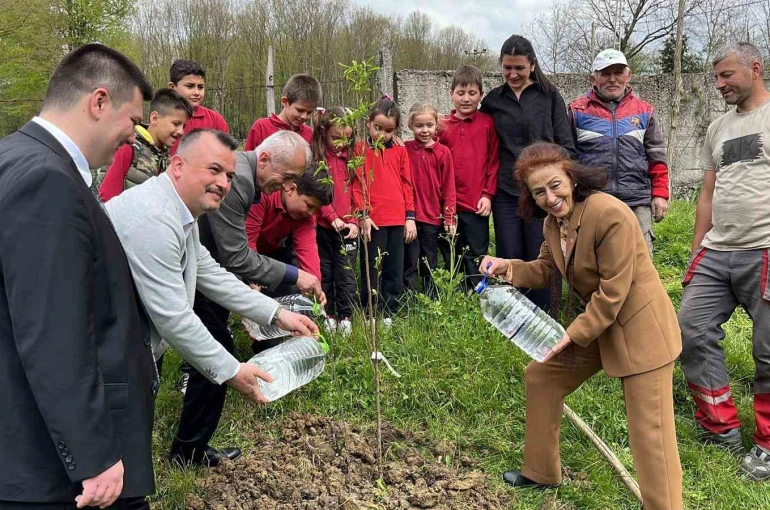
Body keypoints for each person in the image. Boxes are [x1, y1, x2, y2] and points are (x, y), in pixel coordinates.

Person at [480, 142, 682, 510]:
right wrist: (508, 267)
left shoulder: (610, 214)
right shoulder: (553, 222)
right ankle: (541, 472)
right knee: (542, 377)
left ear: (571, 177)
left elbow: (613, 293)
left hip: (640, 329)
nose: (549, 197)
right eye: (538, 191)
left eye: (555, 185)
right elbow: (545, 269)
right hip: (599, 325)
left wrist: (569, 335)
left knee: (650, 432)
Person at [0, 44, 156, 510]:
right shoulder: (47, 181)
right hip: (53, 467)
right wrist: (93, 454)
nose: (133, 136)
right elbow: (53, 331)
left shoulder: (15, 155)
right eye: (132, 120)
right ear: (99, 102)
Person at [105, 129, 319, 467]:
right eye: (213, 170)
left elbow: (211, 275)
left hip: (126, 346)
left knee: (126, 461)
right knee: (112, 467)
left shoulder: (180, 213)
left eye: (230, 175)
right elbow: (174, 318)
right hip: (105, 353)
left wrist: (278, 314)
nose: (223, 183)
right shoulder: (156, 219)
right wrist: (232, 372)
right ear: (177, 165)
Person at [173, 130, 323, 466]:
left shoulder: (243, 178)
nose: (286, 188)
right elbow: (236, 256)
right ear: (265, 159)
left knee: (215, 349)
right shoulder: (239, 178)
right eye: (286, 178)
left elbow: (216, 260)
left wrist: (275, 311)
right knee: (215, 351)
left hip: (202, 272)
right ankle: (188, 451)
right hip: (188, 274)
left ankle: (189, 449)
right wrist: (294, 276)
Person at [678, 42, 770, 479]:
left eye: (726, 76)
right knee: (692, 330)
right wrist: (697, 249)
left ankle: (767, 446)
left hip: (765, 248)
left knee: (768, 353)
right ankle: (720, 428)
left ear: (755, 68)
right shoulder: (717, 128)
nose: (719, 85)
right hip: (718, 250)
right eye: (716, 77)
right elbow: (708, 193)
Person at [480, 34, 576, 311]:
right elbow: (475, 134)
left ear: (532, 65)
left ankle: (545, 314)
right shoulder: (493, 101)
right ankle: (514, 316)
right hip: (507, 194)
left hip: (544, 195)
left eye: (519, 68)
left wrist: (559, 185)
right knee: (509, 254)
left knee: (542, 255)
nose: (513, 73)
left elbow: (566, 145)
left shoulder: (549, 96)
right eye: (507, 67)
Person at [568, 48, 670, 255]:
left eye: (618, 73)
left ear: (628, 75)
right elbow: (566, 158)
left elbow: (657, 155)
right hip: (592, 200)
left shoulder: (644, 111)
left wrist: (660, 194)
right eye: (605, 74)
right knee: (592, 262)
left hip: (636, 201)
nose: (612, 79)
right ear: (593, 78)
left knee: (640, 264)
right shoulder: (576, 111)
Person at [352, 96, 416, 318]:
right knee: (372, 269)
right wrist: (363, 214)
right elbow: (356, 185)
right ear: (368, 123)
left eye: (388, 131)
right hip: (374, 221)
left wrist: (410, 217)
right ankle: (370, 310)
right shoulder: (360, 150)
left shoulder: (399, 150)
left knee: (393, 268)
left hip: (397, 219)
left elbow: (407, 184)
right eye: (377, 128)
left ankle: (390, 312)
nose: (382, 135)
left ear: (395, 130)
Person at [438, 65, 500, 289]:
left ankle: (477, 295)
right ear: (451, 94)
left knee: (476, 253)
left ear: (481, 95)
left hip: (476, 204)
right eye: (460, 93)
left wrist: (488, 195)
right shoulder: (441, 126)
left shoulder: (487, 123)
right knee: (451, 251)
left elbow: (493, 162)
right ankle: (452, 294)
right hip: (449, 206)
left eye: (472, 93)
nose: (466, 99)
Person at [245, 163, 333, 296]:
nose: (310, 213)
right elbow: (248, 241)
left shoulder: (304, 216)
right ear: (292, 189)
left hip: (273, 252)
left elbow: (308, 252)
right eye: (309, 205)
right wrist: (253, 280)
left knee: (283, 292)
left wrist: (315, 287)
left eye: (315, 209)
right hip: (241, 250)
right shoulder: (264, 195)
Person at [312, 106, 360, 335]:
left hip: (349, 229)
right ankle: (328, 314)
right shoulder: (319, 158)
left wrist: (356, 222)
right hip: (324, 227)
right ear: (324, 133)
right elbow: (318, 193)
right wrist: (331, 217)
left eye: (346, 139)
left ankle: (346, 316)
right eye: (335, 138)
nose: (341, 143)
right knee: (326, 272)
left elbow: (360, 192)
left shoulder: (353, 160)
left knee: (347, 274)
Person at [98, 88, 192, 201]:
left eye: (184, 126)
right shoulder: (129, 147)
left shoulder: (168, 160)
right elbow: (107, 195)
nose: (181, 131)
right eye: (176, 124)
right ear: (155, 118)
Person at [404, 102, 456, 296]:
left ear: (436, 125)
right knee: (409, 260)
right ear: (411, 126)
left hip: (432, 217)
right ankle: (409, 296)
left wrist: (449, 216)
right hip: (410, 217)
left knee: (429, 260)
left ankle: (431, 297)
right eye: (419, 126)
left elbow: (449, 188)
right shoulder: (405, 149)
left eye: (429, 125)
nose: (424, 130)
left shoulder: (443, 153)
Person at [245, 74, 321, 150]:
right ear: (285, 102)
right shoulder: (262, 127)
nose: (304, 116)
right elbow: (247, 160)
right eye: (299, 110)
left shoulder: (309, 134)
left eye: (309, 112)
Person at [168, 59, 229, 153]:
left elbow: (226, 157)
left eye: (200, 87)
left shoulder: (216, 121)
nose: (196, 92)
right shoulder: (162, 119)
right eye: (190, 86)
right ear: (172, 87)